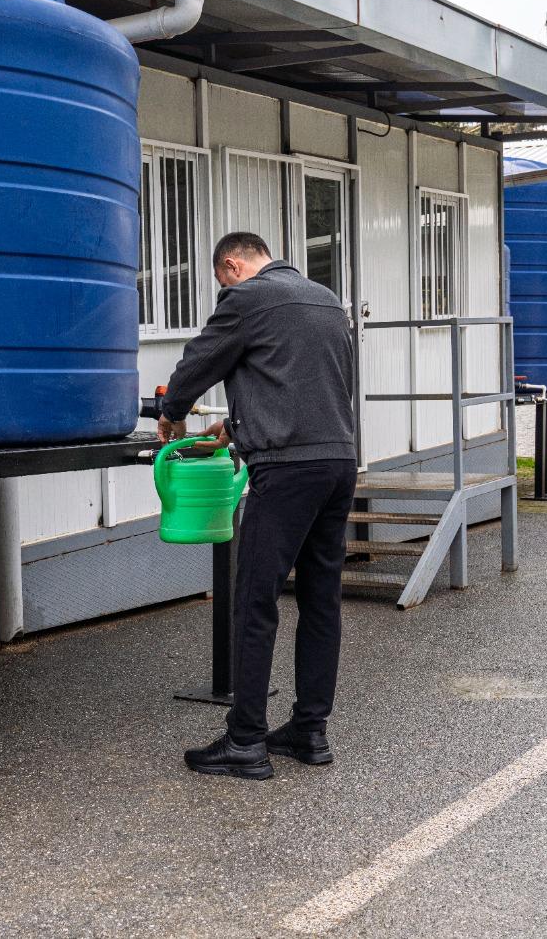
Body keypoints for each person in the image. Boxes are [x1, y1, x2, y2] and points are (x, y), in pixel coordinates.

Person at [157, 231, 357, 780]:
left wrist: (171, 414)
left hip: (287, 471)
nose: (223, 291)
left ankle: (245, 740)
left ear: (232, 265)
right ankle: (309, 732)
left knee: (254, 601)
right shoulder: (325, 299)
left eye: (221, 280)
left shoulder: (246, 299)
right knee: (321, 601)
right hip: (337, 463)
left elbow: (197, 365)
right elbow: (307, 384)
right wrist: (240, 422)